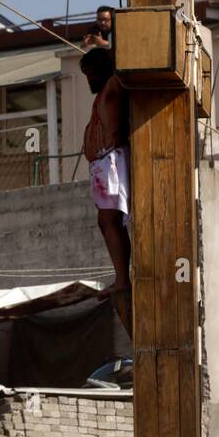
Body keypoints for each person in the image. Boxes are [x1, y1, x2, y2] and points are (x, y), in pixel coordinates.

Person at [80, 47, 131, 300]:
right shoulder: (102, 92)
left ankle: (122, 280)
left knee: (109, 220)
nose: (88, 78)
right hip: (101, 163)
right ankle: (121, 279)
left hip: (111, 159)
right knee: (106, 221)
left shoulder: (114, 82)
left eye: (90, 72)